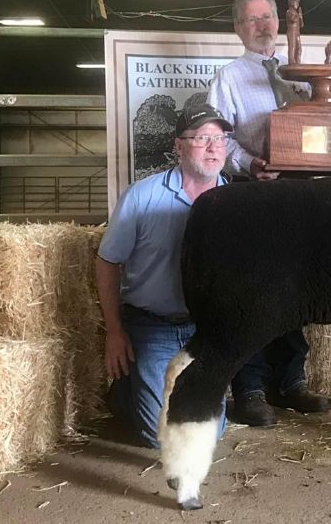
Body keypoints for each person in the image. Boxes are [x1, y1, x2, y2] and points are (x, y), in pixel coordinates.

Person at [207, 0, 329, 427]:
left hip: (300, 194)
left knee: (297, 288)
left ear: (281, 22)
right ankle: (250, 388)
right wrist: (249, 163)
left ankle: (291, 382)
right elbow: (218, 139)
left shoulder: (306, 74)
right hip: (254, 192)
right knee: (255, 292)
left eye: (268, 18)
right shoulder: (229, 77)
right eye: (252, 19)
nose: (262, 26)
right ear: (238, 28)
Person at [96, 104, 234, 448]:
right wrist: (114, 331)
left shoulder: (237, 204)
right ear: (179, 146)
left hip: (205, 330)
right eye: (202, 138)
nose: (214, 147)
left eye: (220, 138)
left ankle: (139, 385)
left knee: (207, 434)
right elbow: (107, 261)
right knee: (162, 438)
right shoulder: (141, 196)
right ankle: (129, 390)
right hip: (151, 326)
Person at [286, 0, 303, 65]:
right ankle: (292, 61)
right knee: (292, 47)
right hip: (292, 31)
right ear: (291, 3)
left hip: (297, 32)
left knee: (299, 47)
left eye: (298, 3)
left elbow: (301, 25)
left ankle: (297, 61)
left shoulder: (296, 13)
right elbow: (293, 19)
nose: (297, 4)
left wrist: (300, 16)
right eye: (296, 2)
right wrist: (298, 15)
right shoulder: (289, 11)